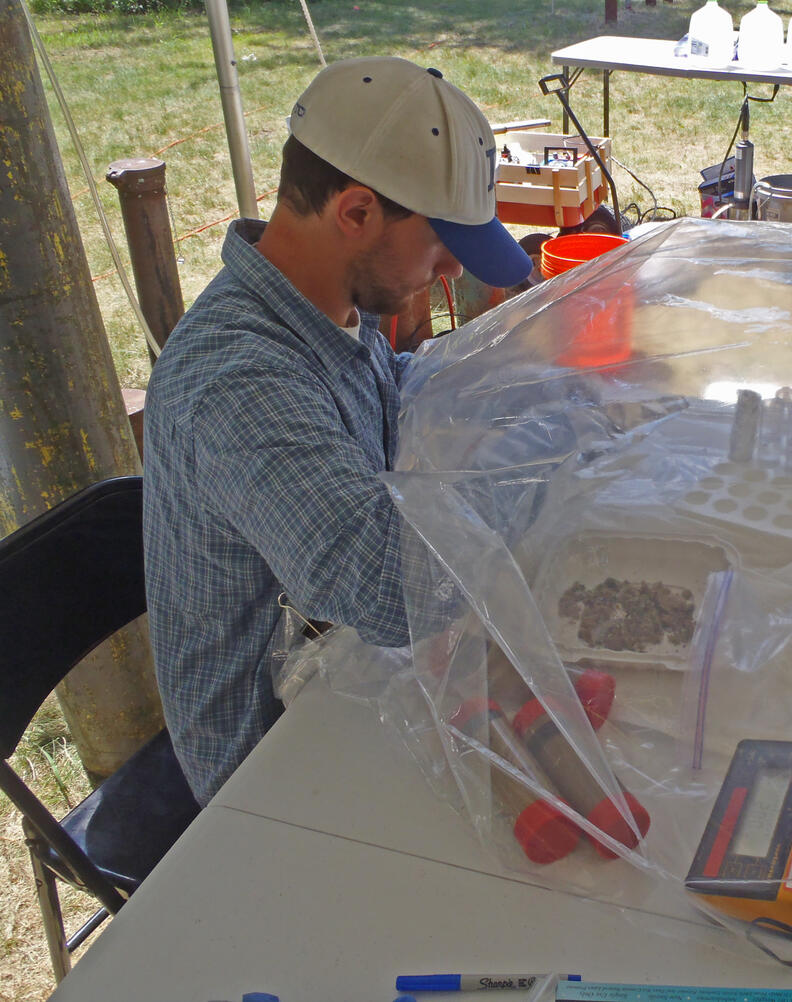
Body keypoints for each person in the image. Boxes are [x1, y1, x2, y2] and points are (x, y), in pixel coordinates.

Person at [142, 57, 532, 805]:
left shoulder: (324, 309)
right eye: (442, 241)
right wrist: (528, 467)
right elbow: (390, 589)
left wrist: (518, 384)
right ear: (355, 212)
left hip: (346, 670)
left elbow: (396, 405)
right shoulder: (238, 382)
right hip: (267, 765)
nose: (452, 270)